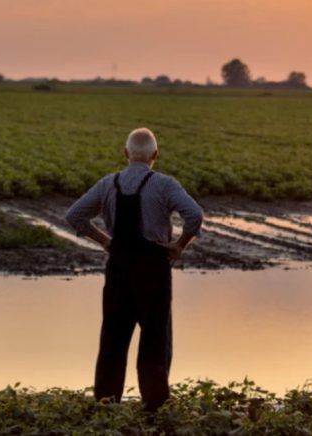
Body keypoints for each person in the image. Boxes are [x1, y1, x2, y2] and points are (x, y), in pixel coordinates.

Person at [65, 127, 203, 413]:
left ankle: (106, 406)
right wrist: (179, 245)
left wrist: (105, 241)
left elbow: (74, 215)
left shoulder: (108, 183)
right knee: (155, 338)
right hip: (154, 269)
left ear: (126, 153)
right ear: (155, 155)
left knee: (113, 339)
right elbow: (195, 214)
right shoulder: (164, 184)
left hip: (119, 269)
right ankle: (154, 407)